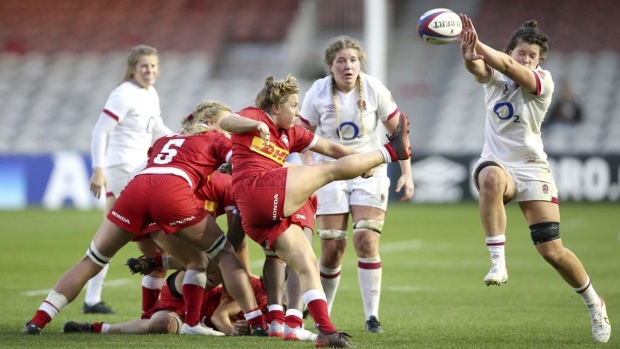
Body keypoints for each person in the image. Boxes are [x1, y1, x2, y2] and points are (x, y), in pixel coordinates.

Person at [22, 101, 268, 336]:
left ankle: (37, 321)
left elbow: (141, 171)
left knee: (92, 260)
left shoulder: (165, 139)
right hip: (172, 189)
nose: (230, 132)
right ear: (214, 122)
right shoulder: (215, 138)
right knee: (223, 254)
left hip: (136, 190)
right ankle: (256, 323)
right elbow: (242, 164)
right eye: (228, 124)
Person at [218, 74, 411, 348]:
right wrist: (255, 124)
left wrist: (360, 163)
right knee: (323, 172)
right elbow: (227, 122)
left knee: (307, 263)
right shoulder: (255, 116)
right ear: (275, 108)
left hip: (259, 215)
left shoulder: (292, 133)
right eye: (293, 106)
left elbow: (331, 147)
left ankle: (325, 331)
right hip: (255, 190)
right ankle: (392, 151)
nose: (298, 113)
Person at [458, 14, 611, 343]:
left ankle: (594, 303)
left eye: (532, 56)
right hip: (498, 162)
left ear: (538, 61)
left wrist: (477, 45)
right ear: (510, 50)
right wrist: (471, 56)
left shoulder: (544, 81)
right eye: (521, 53)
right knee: (490, 180)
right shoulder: (494, 78)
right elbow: (479, 69)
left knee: (552, 251)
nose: (525, 59)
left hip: (532, 167)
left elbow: (510, 70)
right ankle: (498, 262)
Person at [297, 35, 415, 333]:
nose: (348, 66)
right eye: (341, 61)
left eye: (352, 60)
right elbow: (303, 136)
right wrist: (307, 174)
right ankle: (327, 317)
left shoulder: (373, 87)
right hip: (330, 172)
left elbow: (398, 131)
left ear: (360, 63)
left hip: (369, 169)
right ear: (330, 66)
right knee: (332, 246)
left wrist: (406, 172)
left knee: (366, 240)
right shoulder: (318, 91)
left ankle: (372, 316)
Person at [86, 44, 172, 314]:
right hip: (122, 169)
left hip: (134, 167)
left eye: (154, 66)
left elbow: (158, 130)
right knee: (157, 230)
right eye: (144, 66)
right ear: (133, 69)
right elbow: (100, 131)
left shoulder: (150, 94)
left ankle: (91, 299)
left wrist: (186, 140)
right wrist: (98, 169)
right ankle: (160, 300)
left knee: (107, 236)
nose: (150, 71)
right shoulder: (124, 94)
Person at [62, 269, 267, 336]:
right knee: (206, 270)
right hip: (191, 293)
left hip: (183, 317)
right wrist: (232, 332)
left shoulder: (274, 321)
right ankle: (159, 262)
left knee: (162, 325)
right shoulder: (259, 290)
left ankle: (93, 328)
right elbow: (219, 316)